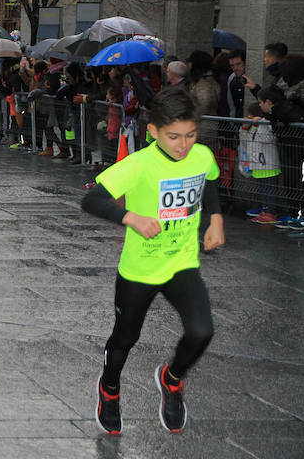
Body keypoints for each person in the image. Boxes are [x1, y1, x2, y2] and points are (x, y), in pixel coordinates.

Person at [81, 87, 224, 435]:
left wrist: (215, 219)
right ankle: (109, 389)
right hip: (140, 269)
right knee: (124, 339)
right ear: (154, 131)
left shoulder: (202, 155)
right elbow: (93, 200)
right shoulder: (140, 164)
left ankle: (171, 379)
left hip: (181, 263)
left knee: (202, 331)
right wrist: (131, 217)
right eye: (174, 136)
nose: (183, 144)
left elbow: (208, 183)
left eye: (190, 135)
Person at [256, 86, 304, 231]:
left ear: (269, 102)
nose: (259, 106)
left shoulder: (285, 110)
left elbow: (300, 123)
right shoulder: (277, 110)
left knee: (297, 182)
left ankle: (300, 216)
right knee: (291, 181)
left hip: (298, 150)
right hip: (291, 150)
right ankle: (295, 215)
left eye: (260, 103)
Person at [239, 102, 281, 225]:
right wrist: (245, 128)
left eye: (250, 116)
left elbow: (268, 139)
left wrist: (260, 123)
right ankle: (264, 210)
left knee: (270, 190)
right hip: (257, 165)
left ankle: (271, 212)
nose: (248, 118)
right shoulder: (252, 126)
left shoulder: (266, 124)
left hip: (269, 164)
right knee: (263, 190)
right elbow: (245, 141)